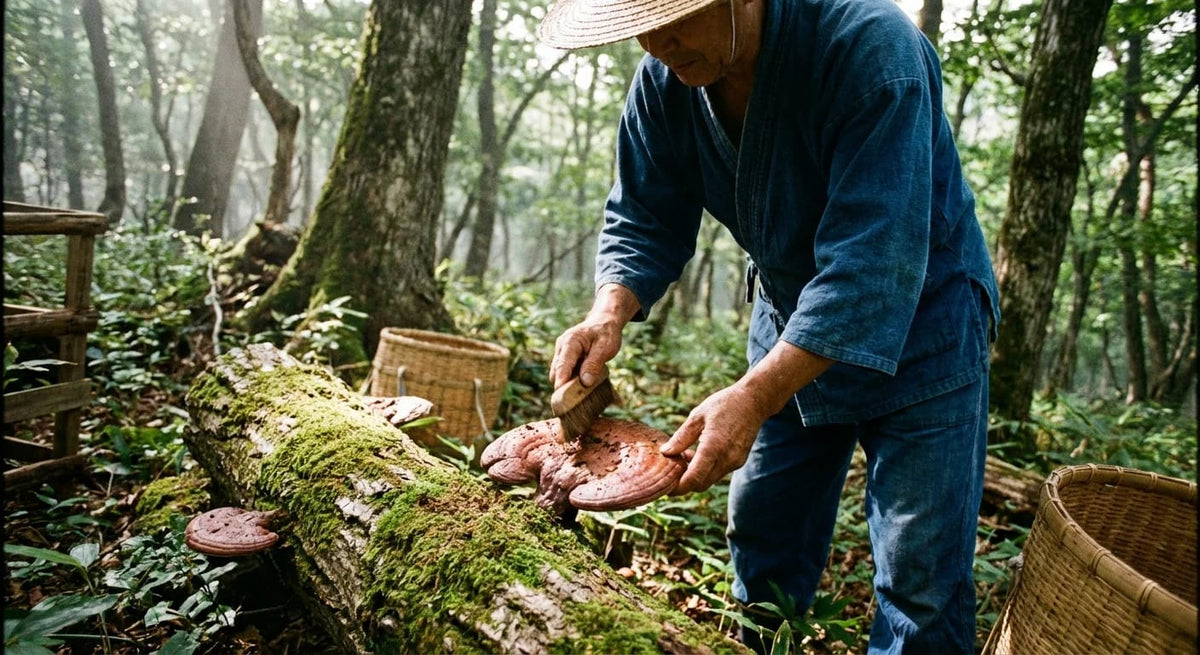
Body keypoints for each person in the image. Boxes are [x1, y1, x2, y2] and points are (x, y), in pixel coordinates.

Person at [541, 0, 1000, 652]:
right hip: (788, 315)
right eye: (641, 23)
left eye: (676, 16)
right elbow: (645, 211)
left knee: (920, 579)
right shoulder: (667, 79)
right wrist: (608, 311)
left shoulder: (873, 50)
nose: (660, 42)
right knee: (764, 530)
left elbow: (872, 265)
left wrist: (755, 394)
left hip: (927, 326)